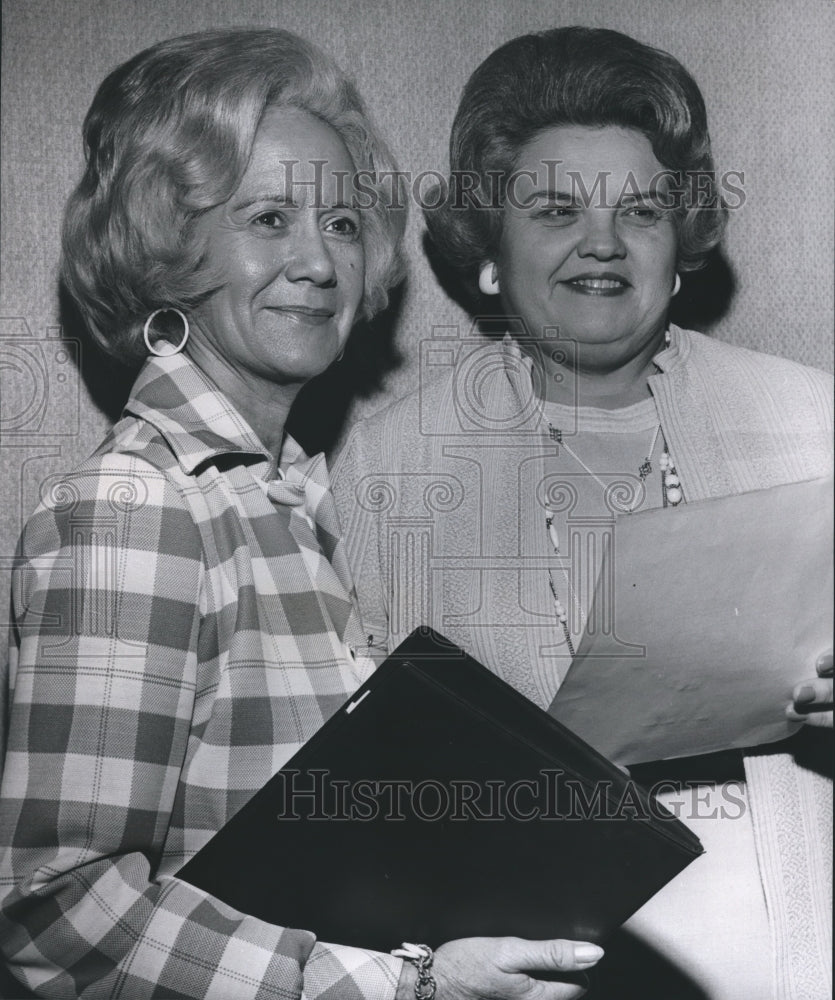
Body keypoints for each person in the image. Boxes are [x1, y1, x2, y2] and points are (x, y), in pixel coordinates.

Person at [0, 28, 604, 1000]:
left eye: (342, 222)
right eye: (270, 217)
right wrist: (399, 989)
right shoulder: (134, 507)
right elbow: (55, 909)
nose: (320, 261)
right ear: (166, 244)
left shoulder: (281, 501)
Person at [333, 26, 833, 1000]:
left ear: (681, 243)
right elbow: (352, 788)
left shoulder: (815, 419)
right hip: (527, 973)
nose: (602, 243)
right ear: (488, 247)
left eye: (639, 210)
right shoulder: (387, 465)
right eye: (555, 209)